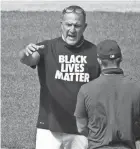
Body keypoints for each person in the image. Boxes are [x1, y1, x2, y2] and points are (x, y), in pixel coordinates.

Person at [19, 5, 100, 149]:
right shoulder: (47, 47)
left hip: (81, 129)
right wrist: (26, 52)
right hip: (48, 127)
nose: (72, 30)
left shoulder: (94, 53)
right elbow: (28, 59)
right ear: (61, 25)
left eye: (77, 25)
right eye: (68, 24)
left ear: (85, 27)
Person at [74, 39, 140, 149]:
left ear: (99, 60)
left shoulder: (86, 90)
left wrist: (97, 138)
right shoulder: (137, 87)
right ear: (121, 58)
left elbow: (81, 127)